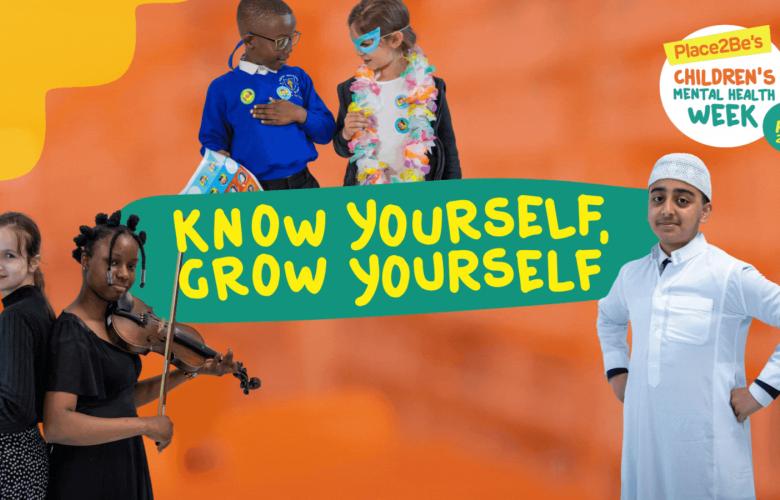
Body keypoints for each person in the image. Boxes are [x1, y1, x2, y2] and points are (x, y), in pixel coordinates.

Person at [597, 153, 780, 499]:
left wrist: (761, 393)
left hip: (707, 450)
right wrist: (617, 369)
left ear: (705, 211)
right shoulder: (632, 274)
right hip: (645, 443)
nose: (667, 209)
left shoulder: (728, 275)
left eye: (682, 199)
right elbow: (609, 316)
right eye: (658, 198)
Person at [44, 211, 234, 500]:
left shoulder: (114, 325)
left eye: (131, 266)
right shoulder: (71, 333)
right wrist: (145, 425)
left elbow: (122, 399)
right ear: (85, 260)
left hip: (122, 464)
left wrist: (192, 370)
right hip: (87, 479)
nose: (123, 274)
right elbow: (58, 425)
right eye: (113, 262)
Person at [198, 0, 336, 190]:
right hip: (254, 191)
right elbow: (212, 142)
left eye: (292, 37)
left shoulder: (297, 77)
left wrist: (299, 114)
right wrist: (218, 156)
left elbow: (326, 132)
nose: (289, 48)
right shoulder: (222, 88)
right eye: (281, 42)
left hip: (303, 185)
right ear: (250, 41)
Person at [333, 0, 461, 185]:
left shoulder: (430, 89)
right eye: (356, 44)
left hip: (419, 192)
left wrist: (452, 194)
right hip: (369, 196)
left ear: (395, 39)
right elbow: (341, 148)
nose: (359, 52)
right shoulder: (351, 90)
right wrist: (346, 133)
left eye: (366, 43)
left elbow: (448, 150)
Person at [0, 212, 54, 500]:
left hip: (11, 463)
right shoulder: (39, 308)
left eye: (9, 256)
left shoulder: (15, 318)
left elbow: (16, 409)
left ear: (33, 262)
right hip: (27, 458)